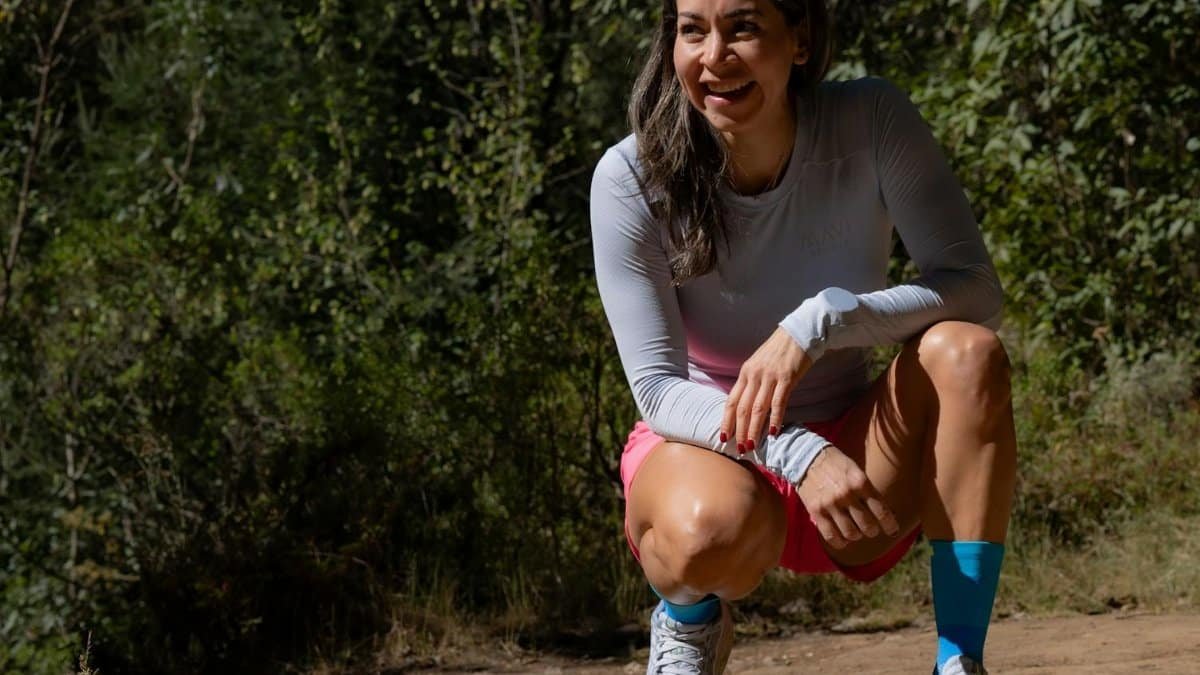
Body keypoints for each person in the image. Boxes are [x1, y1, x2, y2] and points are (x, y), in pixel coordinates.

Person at [589, 1, 1017, 673]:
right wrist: (798, 455)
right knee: (706, 530)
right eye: (692, 29)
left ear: (800, 39)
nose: (714, 55)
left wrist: (826, 319)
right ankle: (689, 619)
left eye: (744, 27)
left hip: (859, 470)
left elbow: (975, 288)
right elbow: (658, 390)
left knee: (968, 352)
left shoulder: (872, 120)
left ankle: (959, 659)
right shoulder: (630, 178)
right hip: (709, 454)